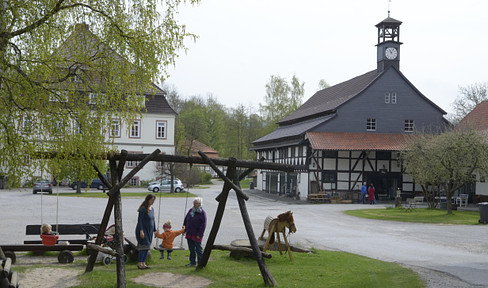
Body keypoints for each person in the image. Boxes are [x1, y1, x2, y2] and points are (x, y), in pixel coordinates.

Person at [183, 197, 207, 267]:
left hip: (197, 234)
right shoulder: (191, 210)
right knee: (191, 248)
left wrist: (199, 234)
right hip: (189, 233)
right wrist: (184, 228)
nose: (194, 204)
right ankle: (192, 262)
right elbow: (186, 219)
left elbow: (203, 225)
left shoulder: (202, 213)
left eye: (196, 203)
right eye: (194, 202)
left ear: (200, 204)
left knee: (198, 249)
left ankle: (200, 263)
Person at [135, 194, 156, 269]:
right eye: (151, 200)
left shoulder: (152, 209)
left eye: (154, 200)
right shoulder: (143, 209)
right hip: (143, 230)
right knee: (143, 247)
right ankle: (140, 263)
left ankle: (144, 263)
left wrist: (155, 230)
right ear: (148, 200)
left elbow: (153, 220)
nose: (153, 201)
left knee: (147, 247)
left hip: (149, 231)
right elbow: (139, 220)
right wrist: (141, 231)